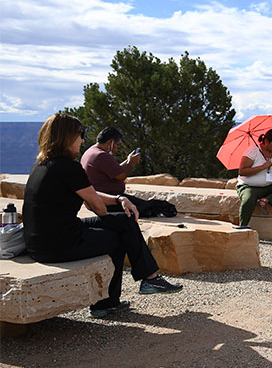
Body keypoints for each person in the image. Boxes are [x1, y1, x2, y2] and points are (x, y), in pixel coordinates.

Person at [22, 113, 182, 319]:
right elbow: (98, 208)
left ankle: (144, 281)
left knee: (123, 221)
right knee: (118, 237)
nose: (82, 139)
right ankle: (111, 300)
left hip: (41, 240)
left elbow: (90, 194)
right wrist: (118, 201)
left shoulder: (43, 164)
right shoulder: (69, 167)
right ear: (67, 137)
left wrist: (119, 199)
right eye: (80, 134)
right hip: (57, 244)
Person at [81, 127, 176, 217]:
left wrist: (128, 161)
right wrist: (131, 163)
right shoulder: (101, 155)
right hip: (107, 201)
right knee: (152, 207)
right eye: (117, 145)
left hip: (98, 200)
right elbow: (121, 175)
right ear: (111, 142)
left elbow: (116, 169)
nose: (118, 149)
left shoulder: (92, 151)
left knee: (145, 204)